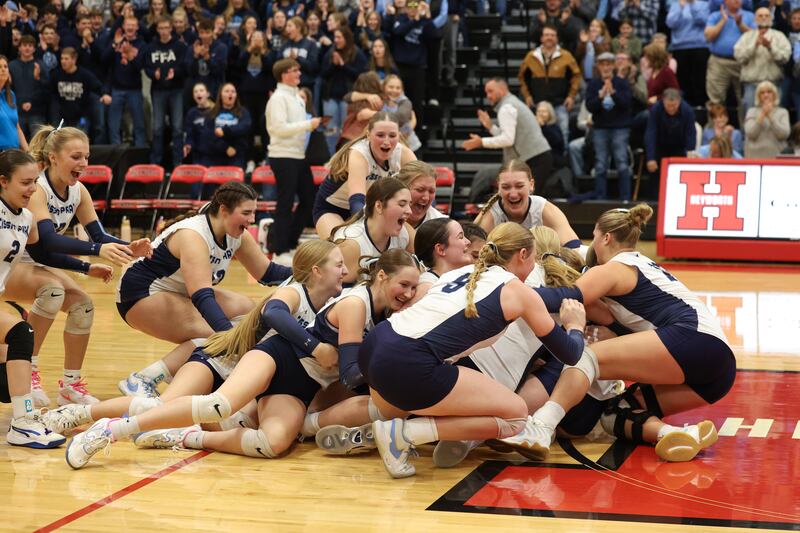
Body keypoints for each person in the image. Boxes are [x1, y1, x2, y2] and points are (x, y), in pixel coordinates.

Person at [65, 249, 420, 468]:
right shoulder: (346, 301)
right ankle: (101, 426)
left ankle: (185, 438)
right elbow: (345, 372)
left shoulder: (381, 311)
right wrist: (415, 385)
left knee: (272, 443)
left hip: (302, 381)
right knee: (209, 407)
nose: (408, 294)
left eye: (414, 289)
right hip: (258, 357)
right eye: (404, 285)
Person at [498, 204, 733, 463]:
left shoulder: (616, 267)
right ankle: (678, 433)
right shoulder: (642, 265)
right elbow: (615, 323)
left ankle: (542, 427)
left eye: (595, 237)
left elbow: (567, 297)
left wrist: (504, 292)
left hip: (691, 339)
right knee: (617, 411)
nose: (592, 243)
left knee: (585, 357)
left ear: (606, 237)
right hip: (718, 369)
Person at [44, 240, 347, 439]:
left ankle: (161, 432)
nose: (346, 271)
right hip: (218, 361)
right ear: (317, 271)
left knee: (224, 422)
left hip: (243, 378)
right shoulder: (293, 292)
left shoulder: (332, 305)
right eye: (339, 265)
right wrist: (314, 346)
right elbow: (274, 313)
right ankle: (78, 413)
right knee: (162, 406)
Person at [358, 222, 587, 478]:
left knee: (397, 409)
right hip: (409, 361)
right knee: (516, 416)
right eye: (532, 259)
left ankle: (391, 432)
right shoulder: (519, 292)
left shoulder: (460, 272)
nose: (533, 266)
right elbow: (570, 354)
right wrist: (575, 326)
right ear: (523, 255)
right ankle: (406, 435)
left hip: (374, 348)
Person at [4, 126, 146, 407]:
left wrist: (130, 248)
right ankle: (29, 372)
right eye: (76, 156)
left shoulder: (78, 191)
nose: (83, 164)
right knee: (52, 290)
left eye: (87, 157)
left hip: (40, 264)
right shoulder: (37, 188)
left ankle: (71, 385)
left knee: (84, 307)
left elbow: (99, 237)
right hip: (12, 262)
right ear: (54, 157)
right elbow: (47, 241)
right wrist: (90, 259)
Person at [117, 182, 292, 398]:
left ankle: (195, 370)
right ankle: (143, 379)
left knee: (247, 310)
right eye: (246, 213)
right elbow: (202, 296)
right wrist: (229, 338)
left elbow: (268, 273)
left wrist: (310, 273)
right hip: (140, 294)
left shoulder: (237, 234)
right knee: (216, 333)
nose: (252, 220)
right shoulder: (194, 235)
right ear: (224, 210)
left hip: (176, 292)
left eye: (254, 213)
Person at [0, 149, 113, 448]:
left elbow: (43, 253)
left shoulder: (25, 218)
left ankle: (27, 416)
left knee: (7, 375)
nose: (33, 190)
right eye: (25, 183)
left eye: (34, 182)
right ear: (3, 181)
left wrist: (86, 268)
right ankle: (23, 424)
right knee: (20, 334)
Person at [313, 111, 416, 239]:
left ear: (398, 136)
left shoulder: (404, 154)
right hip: (334, 208)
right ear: (368, 135)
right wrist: (365, 234)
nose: (386, 141)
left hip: (372, 209)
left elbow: (422, 185)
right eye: (380, 135)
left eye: (392, 135)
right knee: (341, 245)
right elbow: (357, 200)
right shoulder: (359, 154)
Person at [265, 59, 320, 259]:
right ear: (283, 75)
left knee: (309, 199)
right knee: (285, 202)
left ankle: (290, 241)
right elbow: (277, 128)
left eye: (298, 70)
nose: (298, 73)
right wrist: (307, 124)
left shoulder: (297, 97)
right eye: (294, 70)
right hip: (282, 155)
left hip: (298, 155)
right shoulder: (278, 98)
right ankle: (279, 249)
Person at [463, 79, 552, 202]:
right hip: (538, 157)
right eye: (486, 92)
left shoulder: (506, 107)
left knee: (530, 203)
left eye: (491, 91)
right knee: (528, 202)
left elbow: (508, 140)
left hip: (535, 159)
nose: (488, 96)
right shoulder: (512, 103)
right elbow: (511, 136)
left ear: (502, 89)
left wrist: (481, 142)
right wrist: (490, 127)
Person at [474, 159, 581, 249]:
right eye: (506, 187)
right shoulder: (491, 215)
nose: (513, 194)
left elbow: (574, 248)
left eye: (519, 186)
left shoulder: (544, 209)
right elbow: (474, 256)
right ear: (498, 188)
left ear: (531, 185)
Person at [331, 177, 415, 284]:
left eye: (409, 204)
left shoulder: (405, 232)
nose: (409, 211)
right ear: (379, 206)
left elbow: (422, 270)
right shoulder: (352, 245)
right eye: (402, 204)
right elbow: (335, 293)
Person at [581, 51, 633, 201]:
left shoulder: (622, 83)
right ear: (598, 66)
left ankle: (625, 198)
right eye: (602, 64)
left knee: (622, 162)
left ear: (613, 65)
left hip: (620, 128)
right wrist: (601, 96)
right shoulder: (593, 84)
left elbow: (627, 105)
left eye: (609, 64)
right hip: (600, 128)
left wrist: (614, 93)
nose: (606, 67)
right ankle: (600, 198)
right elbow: (590, 106)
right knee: (601, 164)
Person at [517, 25, 581, 145]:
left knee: (563, 132)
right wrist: (527, 95)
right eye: (546, 35)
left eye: (552, 35)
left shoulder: (566, 56)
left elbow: (576, 76)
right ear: (541, 38)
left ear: (557, 38)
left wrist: (571, 96)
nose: (549, 38)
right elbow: (521, 77)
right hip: (538, 104)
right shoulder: (531, 56)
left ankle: (564, 160)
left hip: (559, 103)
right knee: (535, 135)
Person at [144, 15, 188, 168]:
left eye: (166, 28)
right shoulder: (151, 47)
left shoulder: (180, 46)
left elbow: (186, 65)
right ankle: (155, 163)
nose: (163, 31)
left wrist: (175, 72)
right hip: (158, 90)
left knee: (177, 128)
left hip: (176, 89)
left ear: (171, 28)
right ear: (157, 29)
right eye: (160, 28)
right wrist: (152, 74)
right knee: (157, 128)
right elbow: (146, 66)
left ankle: (178, 163)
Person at [705, 0, 755, 125]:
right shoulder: (716, 16)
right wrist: (723, 21)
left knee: (745, 101)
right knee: (716, 100)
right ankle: (714, 135)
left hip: (743, 62)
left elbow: (755, 37)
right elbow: (708, 36)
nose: (737, 1)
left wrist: (740, 24)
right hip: (719, 61)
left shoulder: (749, 16)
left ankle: (746, 136)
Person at [734, 7, 790, 116]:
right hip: (752, 84)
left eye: (767, 15)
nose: (764, 18)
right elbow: (739, 57)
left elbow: (784, 58)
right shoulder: (746, 37)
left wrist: (770, 47)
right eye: (760, 15)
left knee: (775, 116)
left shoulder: (779, 36)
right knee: (750, 115)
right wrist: (754, 46)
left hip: (773, 84)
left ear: (771, 18)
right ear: (755, 19)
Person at [666, 0, 710, 107]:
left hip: (700, 47)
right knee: (682, 82)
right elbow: (670, 23)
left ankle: (701, 108)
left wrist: (693, 5)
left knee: (700, 80)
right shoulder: (675, 5)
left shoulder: (704, 4)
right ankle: (685, 107)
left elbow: (703, 21)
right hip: (680, 48)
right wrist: (680, 7)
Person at [644, 89, 696, 176]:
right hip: (660, 146)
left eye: (674, 105)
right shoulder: (656, 109)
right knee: (656, 176)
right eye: (668, 105)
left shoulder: (687, 111)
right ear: (663, 101)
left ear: (679, 102)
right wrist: (650, 158)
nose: (671, 108)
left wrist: (690, 151)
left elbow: (690, 132)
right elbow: (651, 133)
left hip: (680, 147)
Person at [743, 80, 791, 158]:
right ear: (758, 96)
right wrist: (762, 114)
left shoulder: (783, 112)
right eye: (762, 93)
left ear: (774, 95)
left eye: (769, 92)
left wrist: (770, 117)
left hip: (776, 157)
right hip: (754, 158)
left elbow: (784, 134)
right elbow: (750, 133)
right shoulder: (751, 111)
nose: (766, 95)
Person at [395, 160, 445, 228]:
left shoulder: (441, 226)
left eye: (431, 191)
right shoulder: (383, 217)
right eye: (420, 190)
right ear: (401, 188)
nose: (426, 198)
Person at [0, 55, 29, 150]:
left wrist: (29, 152)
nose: (3, 69)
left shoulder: (11, 95)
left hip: (13, 152)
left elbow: (17, 128)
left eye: (5, 66)